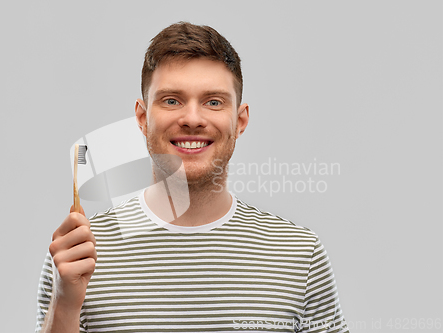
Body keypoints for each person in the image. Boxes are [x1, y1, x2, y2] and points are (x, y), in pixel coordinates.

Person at [36, 22, 350, 333]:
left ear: (240, 121)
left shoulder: (299, 254)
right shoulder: (77, 256)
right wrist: (65, 303)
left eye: (213, 102)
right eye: (172, 100)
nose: (192, 119)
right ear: (143, 119)